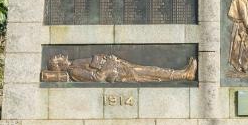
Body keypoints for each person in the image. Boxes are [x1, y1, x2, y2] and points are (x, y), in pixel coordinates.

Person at [42, 54, 197, 83]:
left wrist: (108, 59)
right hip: (119, 74)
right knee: (152, 73)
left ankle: (183, 74)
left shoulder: (75, 63)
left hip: (120, 66)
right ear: (59, 66)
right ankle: (185, 75)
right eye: (57, 58)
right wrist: (108, 64)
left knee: (152, 71)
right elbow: (98, 78)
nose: (60, 55)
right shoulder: (74, 71)